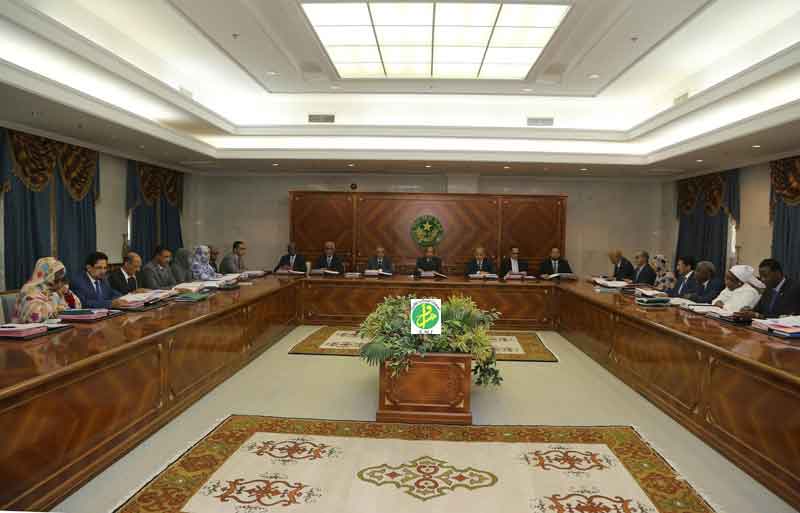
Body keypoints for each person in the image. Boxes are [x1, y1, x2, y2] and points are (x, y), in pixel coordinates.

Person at [11, 257, 82, 323]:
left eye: (62, 279)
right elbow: (35, 317)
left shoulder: (58, 289)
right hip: (31, 331)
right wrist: (55, 296)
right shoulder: (29, 290)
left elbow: (78, 307)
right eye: (56, 280)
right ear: (47, 277)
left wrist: (68, 294)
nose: (60, 284)